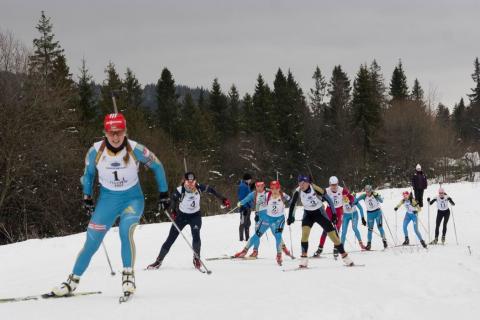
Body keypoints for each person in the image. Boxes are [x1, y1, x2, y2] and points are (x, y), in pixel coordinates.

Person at [51, 113, 170, 297]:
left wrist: (164, 193)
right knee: (91, 241)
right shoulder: (95, 151)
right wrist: (87, 196)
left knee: (125, 229)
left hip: (132, 199)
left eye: (119, 132)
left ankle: (128, 276)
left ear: (125, 132)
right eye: (111, 132)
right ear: (105, 132)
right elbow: (89, 174)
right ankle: (72, 281)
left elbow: (157, 166)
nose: (115, 137)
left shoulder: (135, 149)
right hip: (107, 201)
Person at [147, 172, 230, 270]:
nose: (190, 184)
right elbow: (173, 200)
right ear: (184, 181)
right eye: (188, 181)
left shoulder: (199, 187)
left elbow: (212, 190)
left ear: (195, 181)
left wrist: (223, 199)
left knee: (196, 235)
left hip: (195, 216)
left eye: (193, 181)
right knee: (170, 239)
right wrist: (173, 211)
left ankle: (196, 258)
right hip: (181, 217)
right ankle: (158, 261)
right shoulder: (179, 190)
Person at [287, 175, 354, 267]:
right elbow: (293, 204)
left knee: (333, 235)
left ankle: (345, 257)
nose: (301, 185)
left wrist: (334, 214)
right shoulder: (298, 191)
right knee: (305, 234)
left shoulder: (315, 188)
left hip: (320, 213)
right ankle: (304, 258)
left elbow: (328, 199)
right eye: (300, 183)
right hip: (308, 214)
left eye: (303, 183)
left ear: (308, 183)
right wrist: (291, 216)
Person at [234, 181, 293, 264]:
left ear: (264, 186)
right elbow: (250, 200)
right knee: (257, 234)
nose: (259, 188)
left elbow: (290, 200)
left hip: (272, 217)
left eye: (261, 186)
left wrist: (291, 209)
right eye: (257, 187)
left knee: (277, 234)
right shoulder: (256, 194)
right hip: (263, 218)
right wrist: (255, 212)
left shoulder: (272, 193)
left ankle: (283, 250)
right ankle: (250, 251)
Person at [315, 176, 354, 258]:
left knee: (337, 229)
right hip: (329, 210)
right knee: (326, 229)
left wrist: (351, 202)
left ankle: (336, 248)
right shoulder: (326, 190)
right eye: (332, 185)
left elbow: (351, 197)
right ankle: (320, 248)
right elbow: (319, 197)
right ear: (329, 184)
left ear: (337, 184)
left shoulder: (342, 190)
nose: (334, 187)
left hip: (339, 210)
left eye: (335, 185)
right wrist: (319, 198)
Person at [356, 185, 388, 250]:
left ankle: (384, 241)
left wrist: (377, 196)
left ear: (371, 190)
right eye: (366, 191)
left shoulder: (375, 194)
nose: (367, 193)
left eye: (369, 191)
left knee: (380, 227)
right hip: (370, 214)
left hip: (377, 212)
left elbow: (381, 201)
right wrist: (352, 198)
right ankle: (369, 244)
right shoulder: (364, 196)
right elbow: (355, 201)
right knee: (370, 229)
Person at [238, 173, 253, 241]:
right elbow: (241, 198)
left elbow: (249, 195)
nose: (251, 180)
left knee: (248, 223)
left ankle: (247, 238)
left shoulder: (247, 185)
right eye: (250, 179)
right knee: (243, 223)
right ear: (247, 179)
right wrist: (243, 207)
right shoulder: (242, 186)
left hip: (248, 207)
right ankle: (241, 239)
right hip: (244, 207)